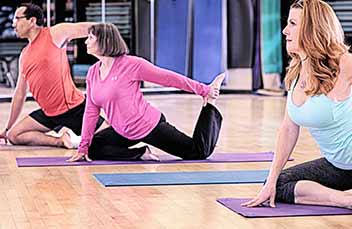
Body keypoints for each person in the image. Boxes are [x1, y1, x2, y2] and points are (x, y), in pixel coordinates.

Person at [243, 0, 352, 209]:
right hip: (338, 167)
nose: (285, 31)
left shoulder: (343, 65)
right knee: (276, 184)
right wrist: (272, 177)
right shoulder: (295, 72)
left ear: (312, 28)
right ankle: (345, 200)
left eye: (293, 24)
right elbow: (288, 128)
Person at [67, 23, 224, 162]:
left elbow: (169, 78)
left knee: (197, 151)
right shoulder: (93, 72)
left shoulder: (132, 64)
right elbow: (91, 111)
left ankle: (209, 104)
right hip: (122, 130)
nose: (86, 41)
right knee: (92, 149)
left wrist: (204, 90)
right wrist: (83, 146)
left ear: (104, 41)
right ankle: (141, 153)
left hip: (148, 126)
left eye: (90, 37)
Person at [0, 3, 107, 148]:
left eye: (17, 19)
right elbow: (20, 93)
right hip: (49, 113)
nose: (14, 24)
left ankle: (142, 150)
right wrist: (7, 129)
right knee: (14, 135)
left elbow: (92, 28)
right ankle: (60, 140)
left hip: (74, 109)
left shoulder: (55, 33)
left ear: (32, 21)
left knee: (109, 137)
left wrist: (108, 31)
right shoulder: (24, 54)